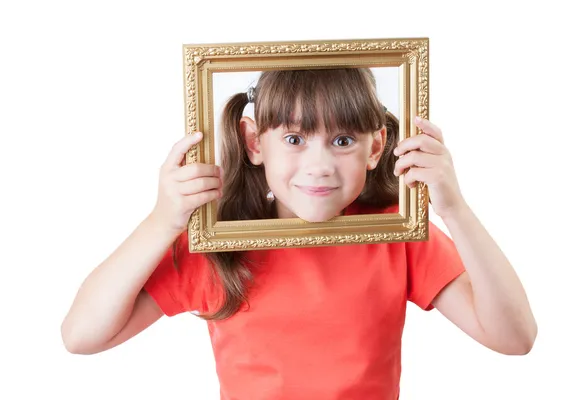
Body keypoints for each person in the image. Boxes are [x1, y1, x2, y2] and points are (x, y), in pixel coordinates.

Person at [61, 68, 537, 399]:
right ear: (254, 143)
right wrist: (161, 221)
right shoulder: (221, 246)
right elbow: (82, 335)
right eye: (294, 139)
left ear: (376, 148)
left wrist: (454, 209)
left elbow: (515, 338)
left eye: (342, 140)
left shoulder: (396, 233)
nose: (319, 165)